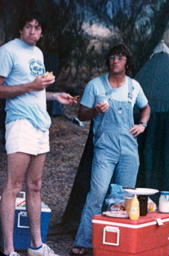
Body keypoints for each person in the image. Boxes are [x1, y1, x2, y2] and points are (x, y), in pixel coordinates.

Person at [0, 11, 77, 256]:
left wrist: (55, 95)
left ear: (41, 32)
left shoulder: (38, 53)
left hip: (39, 125)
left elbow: (36, 92)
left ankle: (36, 246)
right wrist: (32, 85)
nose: (33, 31)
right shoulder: (8, 50)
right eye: (28, 27)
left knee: (35, 185)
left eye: (37, 28)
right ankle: (9, 250)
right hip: (20, 122)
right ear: (21, 29)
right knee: (13, 186)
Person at [69, 44, 150, 255]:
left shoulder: (134, 86)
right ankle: (84, 241)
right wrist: (95, 110)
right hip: (105, 148)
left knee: (124, 197)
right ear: (108, 61)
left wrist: (143, 124)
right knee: (97, 193)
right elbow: (81, 115)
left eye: (121, 58)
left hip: (129, 149)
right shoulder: (95, 86)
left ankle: (119, 244)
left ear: (127, 63)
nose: (116, 61)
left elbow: (146, 107)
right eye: (113, 57)